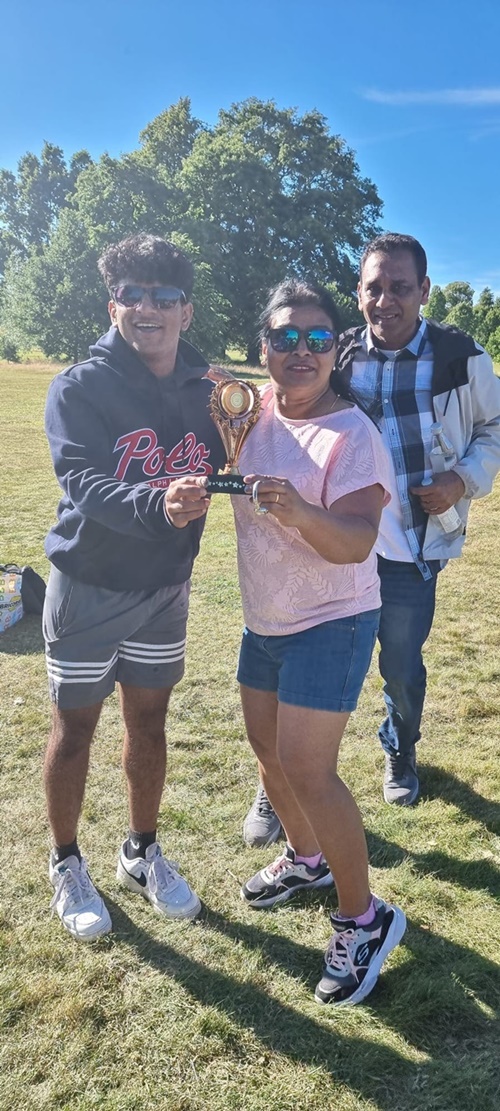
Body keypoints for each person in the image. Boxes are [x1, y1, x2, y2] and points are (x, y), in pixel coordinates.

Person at [243, 233, 500, 838]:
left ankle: (399, 749)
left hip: (407, 545)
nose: (386, 301)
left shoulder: (461, 356)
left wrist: (462, 479)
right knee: (291, 665)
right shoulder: (335, 350)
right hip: (328, 546)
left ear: (424, 290)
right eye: (374, 288)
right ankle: (275, 783)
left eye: (400, 287)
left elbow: (495, 427)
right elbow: (285, 402)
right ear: (358, 294)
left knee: (402, 666)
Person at [43, 233, 226, 941]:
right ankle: (66, 861)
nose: (149, 307)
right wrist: (156, 505)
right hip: (90, 585)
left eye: (165, 296)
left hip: (165, 588)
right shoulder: (79, 386)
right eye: (133, 294)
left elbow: (245, 451)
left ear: (186, 310)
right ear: (112, 303)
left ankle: (141, 850)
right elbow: (81, 481)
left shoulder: (211, 392)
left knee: (150, 724)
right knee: (75, 730)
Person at [232, 278, 406, 1006]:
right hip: (266, 617)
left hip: (333, 619)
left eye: (316, 338)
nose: (299, 350)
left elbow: (358, 541)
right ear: (263, 347)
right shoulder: (247, 410)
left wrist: (302, 510)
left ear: (337, 350)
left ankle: (364, 919)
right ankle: (307, 858)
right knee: (268, 751)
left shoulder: (352, 434)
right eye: (284, 337)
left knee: (309, 769)